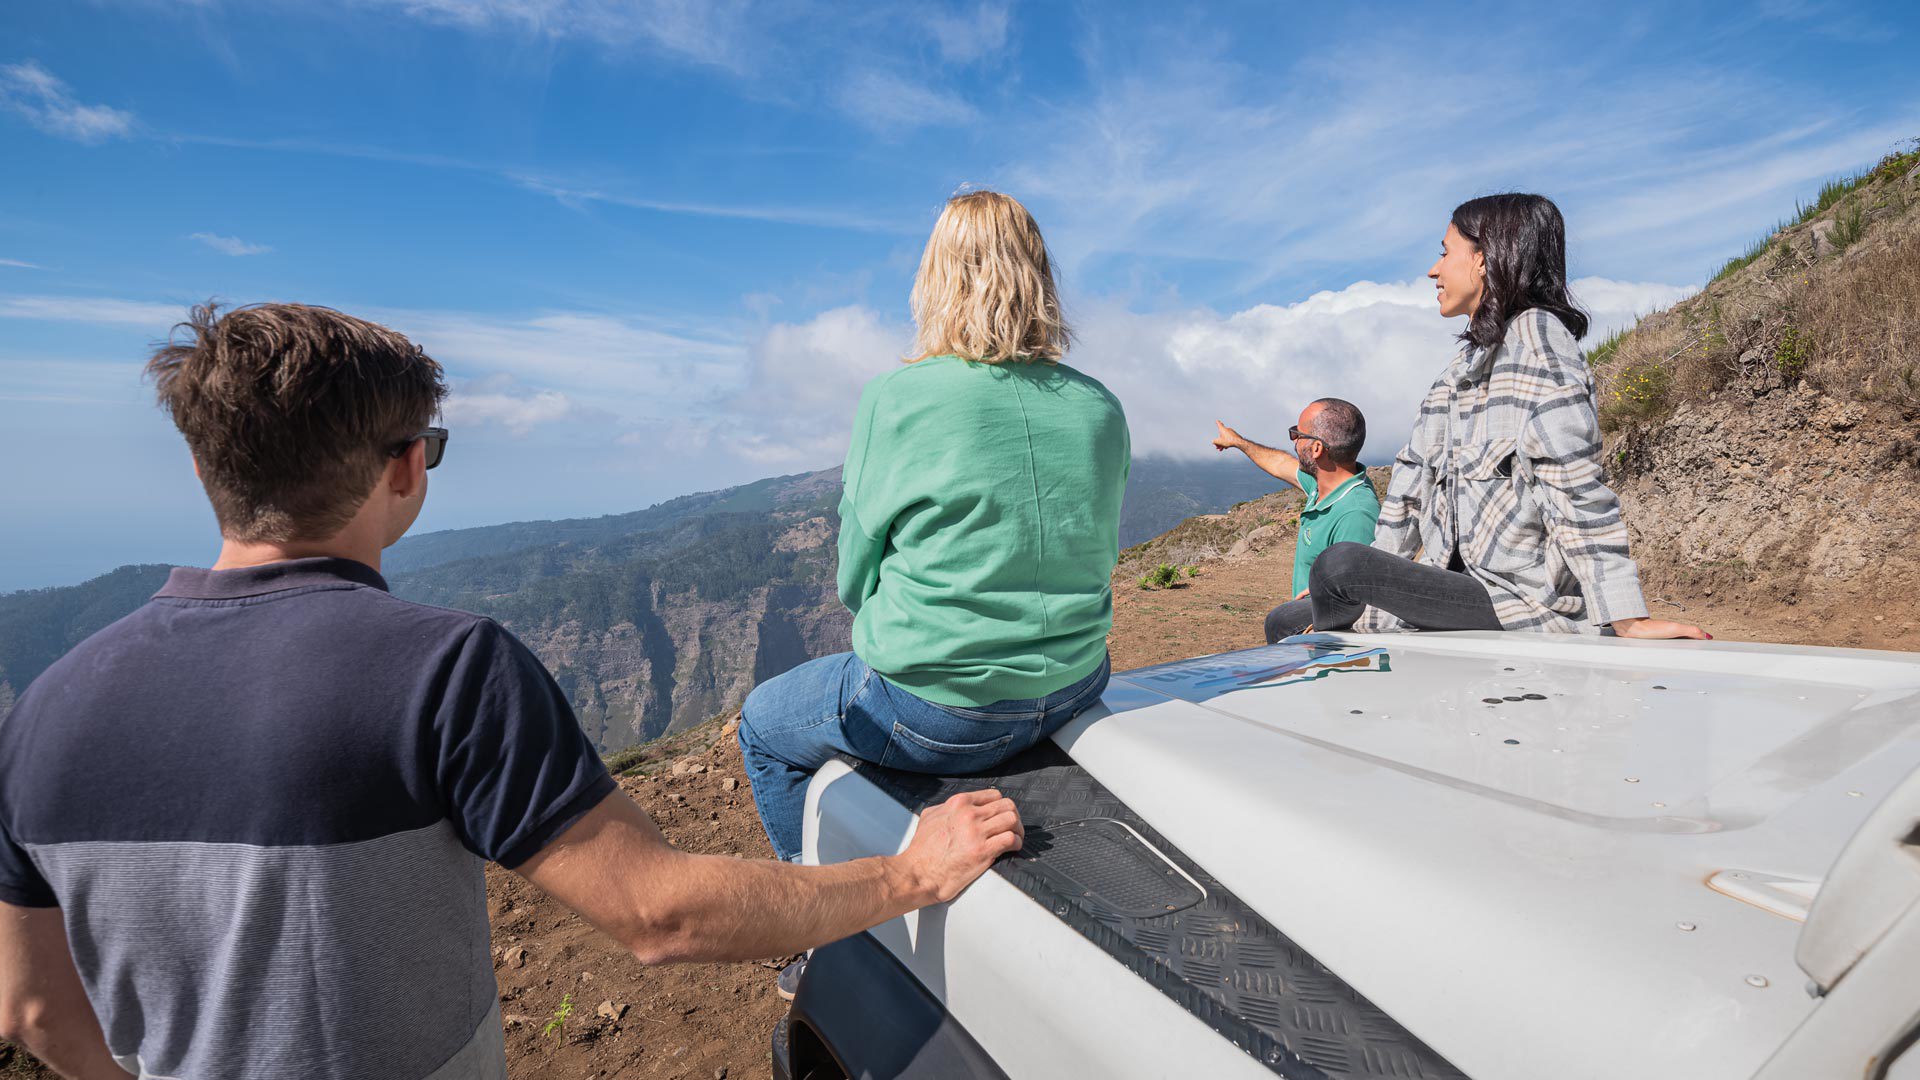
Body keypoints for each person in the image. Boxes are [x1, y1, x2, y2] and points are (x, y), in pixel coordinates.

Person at [0, 303, 1022, 1080]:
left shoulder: (42, 713)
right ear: (406, 466)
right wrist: (908, 876)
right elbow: (657, 915)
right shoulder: (444, 671)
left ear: (199, 466)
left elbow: (33, 1011)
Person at [737, 189, 1127, 910]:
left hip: (941, 716)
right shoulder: (1101, 406)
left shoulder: (898, 398)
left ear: (938, 278)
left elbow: (857, 576)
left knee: (762, 723)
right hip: (1078, 680)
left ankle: (816, 924)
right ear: (1039, 274)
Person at [1306, 194, 1708, 640]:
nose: (1433, 270)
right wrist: (1364, 591)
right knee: (1291, 614)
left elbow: (1576, 490)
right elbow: (1405, 504)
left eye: (1444, 252)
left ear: (1483, 258)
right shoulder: (1453, 379)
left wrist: (1627, 616)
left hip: (1516, 600)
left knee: (1338, 565)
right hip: (1455, 589)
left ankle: (1349, 691)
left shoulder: (1539, 344)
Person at [1212, 399, 1379, 642]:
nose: (1294, 441)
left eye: (1297, 434)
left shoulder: (1354, 514)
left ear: (1317, 449)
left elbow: (1362, 595)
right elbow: (1280, 464)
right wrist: (1238, 442)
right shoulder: (1326, 483)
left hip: (1323, 648)